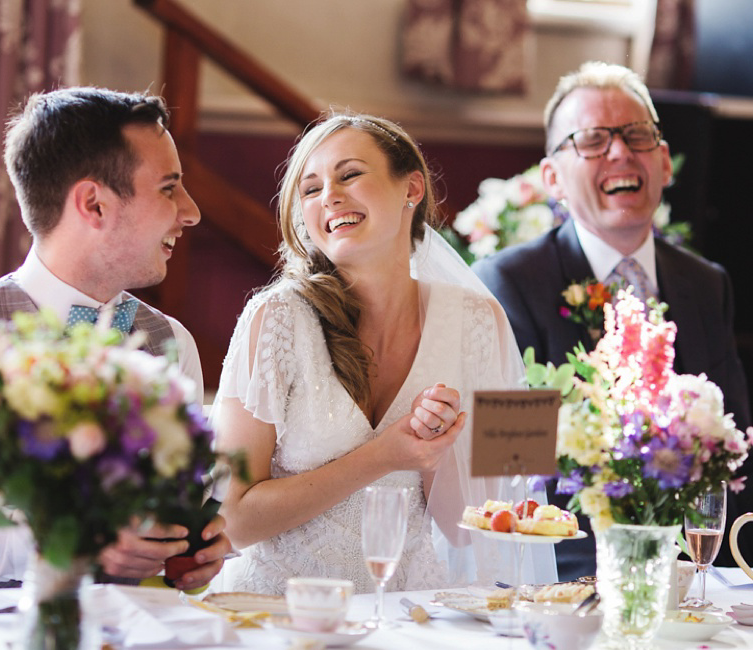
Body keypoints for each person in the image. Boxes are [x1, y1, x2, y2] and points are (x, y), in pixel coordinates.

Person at [0, 87, 231, 614]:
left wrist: (189, 547)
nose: (192, 212)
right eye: (169, 188)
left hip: (137, 632)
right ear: (93, 203)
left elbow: (172, 508)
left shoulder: (169, 342)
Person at [212, 112, 557, 596]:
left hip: (403, 618)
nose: (329, 195)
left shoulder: (483, 320)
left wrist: (435, 454)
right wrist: (385, 455)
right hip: (273, 616)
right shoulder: (275, 319)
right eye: (310, 189)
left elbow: (469, 531)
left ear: (411, 188)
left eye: (349, 174)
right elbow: (231, 522)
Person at [473, 61, 752, 581]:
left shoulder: (706, 283)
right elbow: (511, 471)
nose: (620, 152)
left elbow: (735, 451)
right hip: (569, 576)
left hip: (701, 573)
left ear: (665, 163)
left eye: (637, 136)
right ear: (552, 177)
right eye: (593, 140)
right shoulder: (509, 282)